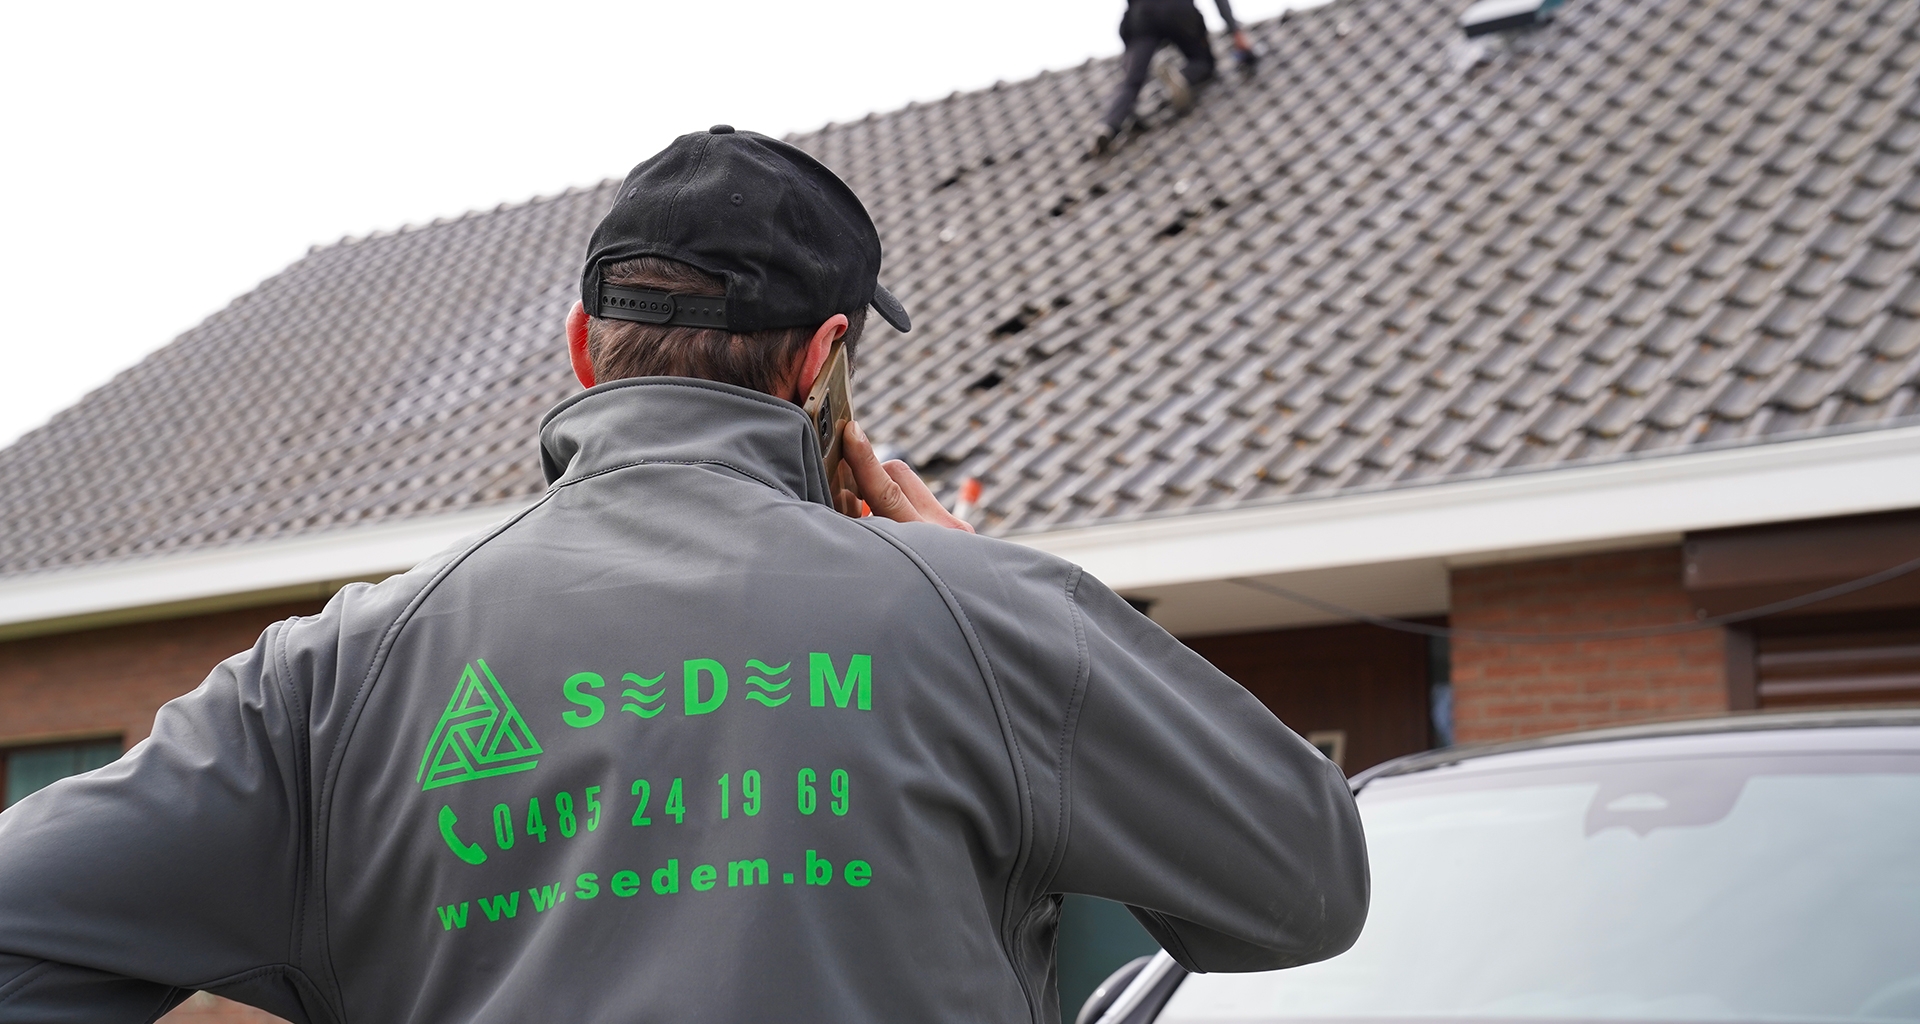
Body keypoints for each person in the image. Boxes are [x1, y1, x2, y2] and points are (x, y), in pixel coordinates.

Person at [0, 127, 1366, 1023]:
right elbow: (1308, 885)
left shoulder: (336, 676)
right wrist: (998, 596)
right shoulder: (984, 616)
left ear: (587, 351)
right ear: (822, 357)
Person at [1092, 0, 1257, 156]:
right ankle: (1182, 78)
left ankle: (1109, 125)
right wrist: (1235, 30)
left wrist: (1130, 49)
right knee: (1202, 61)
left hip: (1142, 13)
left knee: (1131, 81)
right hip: (1178, 9)